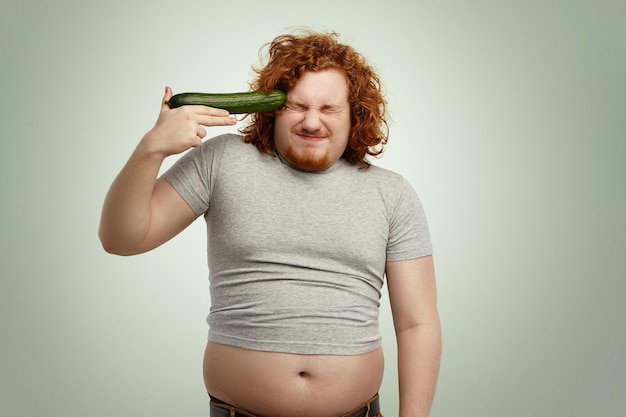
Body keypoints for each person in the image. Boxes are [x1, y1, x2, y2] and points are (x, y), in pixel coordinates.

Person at [99, 29, 441, 417]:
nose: (312, 122)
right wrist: (152, 147)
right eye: (297, 106)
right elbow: (121, 238)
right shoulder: (221, 161)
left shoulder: (392, 193)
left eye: (329, 109)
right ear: (272, 107)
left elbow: (417, 324)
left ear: (355, 115)